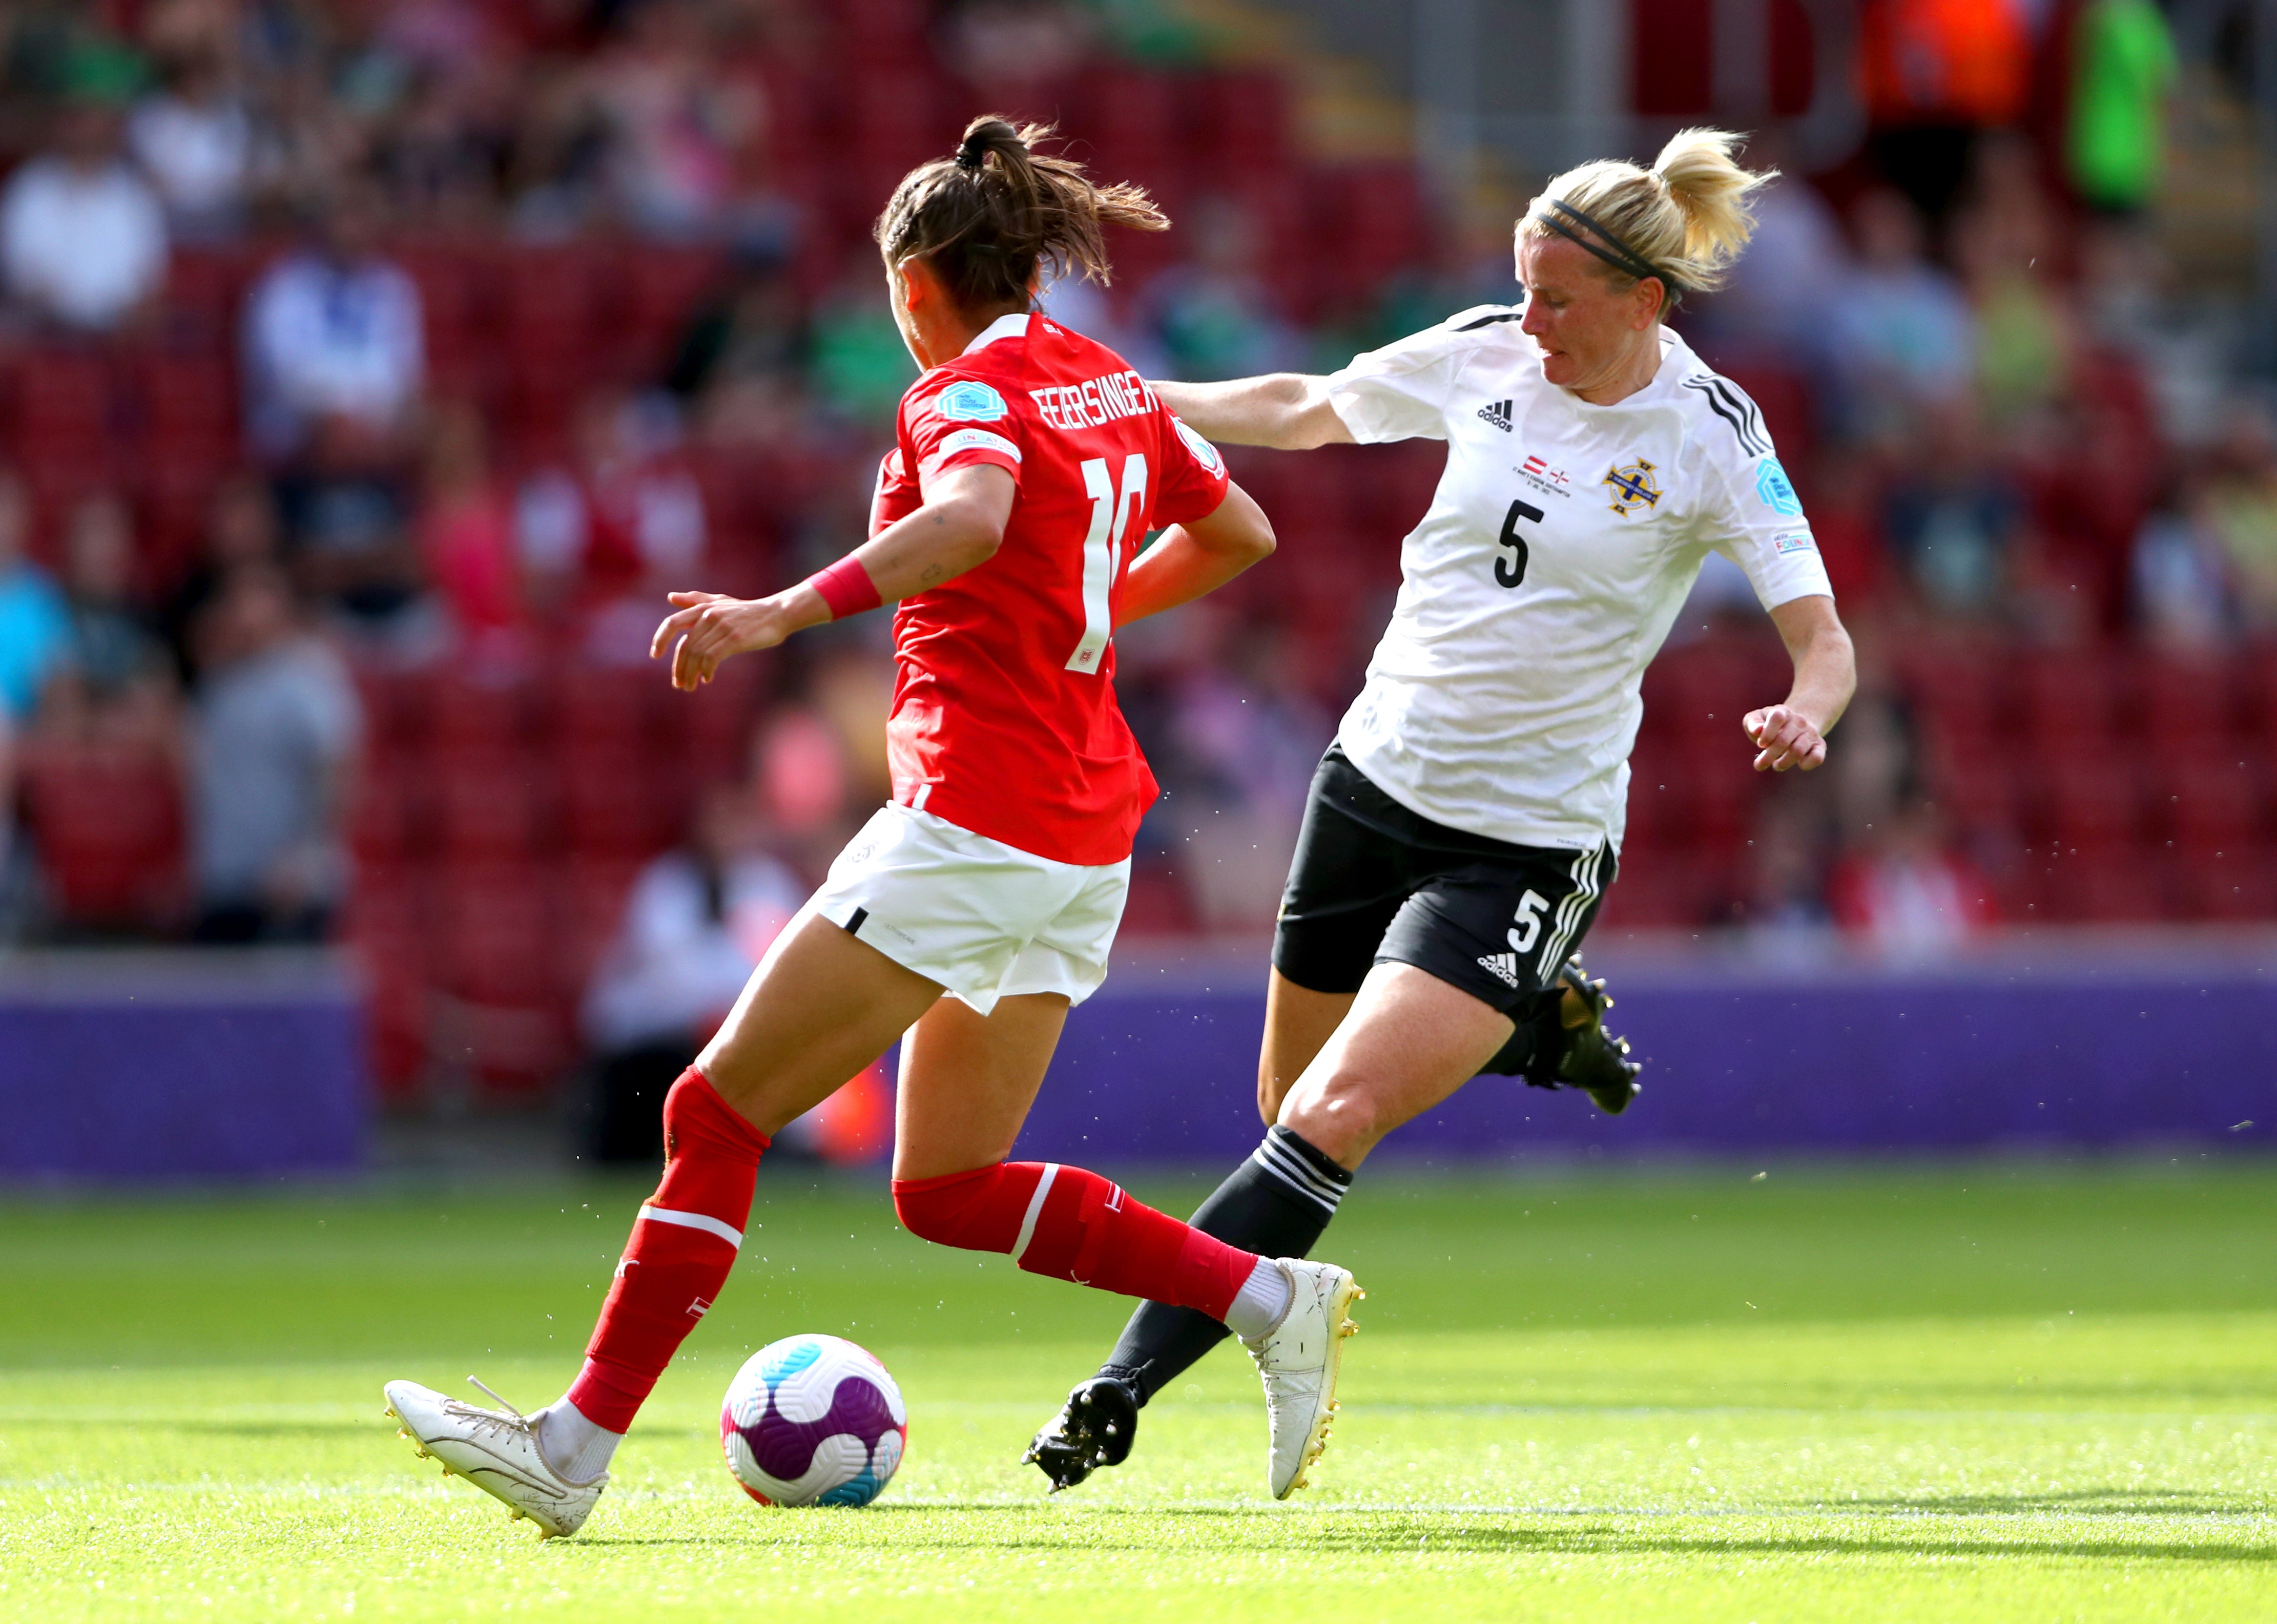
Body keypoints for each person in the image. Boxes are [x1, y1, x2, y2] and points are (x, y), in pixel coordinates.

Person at [384, 118, 1356, 1539]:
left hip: (977, 813)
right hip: (1083, 831)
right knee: (946, 1185)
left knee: (710, 1111)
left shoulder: (958, 394)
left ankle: (573, 1445)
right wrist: (1088, 615)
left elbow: (967, 517)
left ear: (912, 287)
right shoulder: (1110, 381)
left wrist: (780, 609)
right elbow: (1242, 536)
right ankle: (1266, 1293)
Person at [1023, 127, 1858, 1490]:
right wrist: (1115, 397)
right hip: (1374, 780)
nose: (1530, 323)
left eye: (1559, 301)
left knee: (1330, 1118)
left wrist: (1803, 709)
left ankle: (1112, 1394)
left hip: (1528, 835)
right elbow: (1305, 405)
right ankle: (1534, 1017)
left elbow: (1825, 639)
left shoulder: (1711, 435)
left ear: (1645, 304)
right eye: (1521, 289)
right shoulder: (1486, 350)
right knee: (1284, 1105)